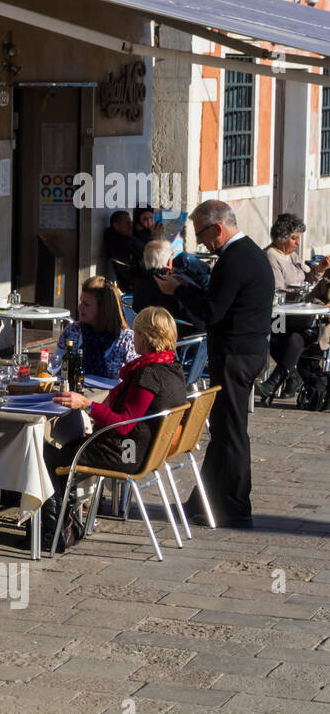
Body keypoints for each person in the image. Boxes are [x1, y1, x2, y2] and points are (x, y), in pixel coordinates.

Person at [154, 200, 274, 527]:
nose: (202, 243)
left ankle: (236, 506)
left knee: (232, 431)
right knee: (222, 428)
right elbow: (216, 299)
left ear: (217, 228)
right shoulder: (246, 254)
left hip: (237, 355)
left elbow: (210, 313)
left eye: (202, 235)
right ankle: (204, 501)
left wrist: (178, 290)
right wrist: (187, 283)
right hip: (242, 352)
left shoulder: (236, 259)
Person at [43, 307, 187, 535]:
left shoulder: (149, 375)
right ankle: (71, 516)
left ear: (146, 337)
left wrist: (87, 405)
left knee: (48, 454)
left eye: (136, 333)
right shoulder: (172, 368)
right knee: (67, 447)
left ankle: (54, 531)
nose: (133, 339)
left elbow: (125, 424)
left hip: (128, 454)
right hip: (149, 450)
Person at [256, 213, 330, 404]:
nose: (297, 243)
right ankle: (293, 375)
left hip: (295, 317)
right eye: (294, 239)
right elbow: (278, 289)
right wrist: (300, 291)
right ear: (281, 238)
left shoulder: (293, 256)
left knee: (296, 338)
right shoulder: (271, 257)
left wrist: (319, 270)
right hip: (278, 317)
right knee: (304, 325)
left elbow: (307, 281)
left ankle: (278, 380)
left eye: (298, 238)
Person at [56, 276, 137, 379]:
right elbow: (57, 370)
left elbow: (136, 379)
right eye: (81, 302)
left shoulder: (127, 340)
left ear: (103, 309)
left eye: (86, 304)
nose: (80, 308)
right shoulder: (73, 332)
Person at [132, 241, 206, 332]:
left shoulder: (139, 283)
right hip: (180, 337)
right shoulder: (172, 284)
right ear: (169, 262)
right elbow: (197, 317)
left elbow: (136, 308)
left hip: (150, 333)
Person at [103, 210, 139, 290]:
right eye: (126, 223)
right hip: (134, 285)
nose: (130, 226)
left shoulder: (130, 239)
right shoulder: (117, 243)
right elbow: (136, 261)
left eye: (131, 222)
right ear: (116, 225)